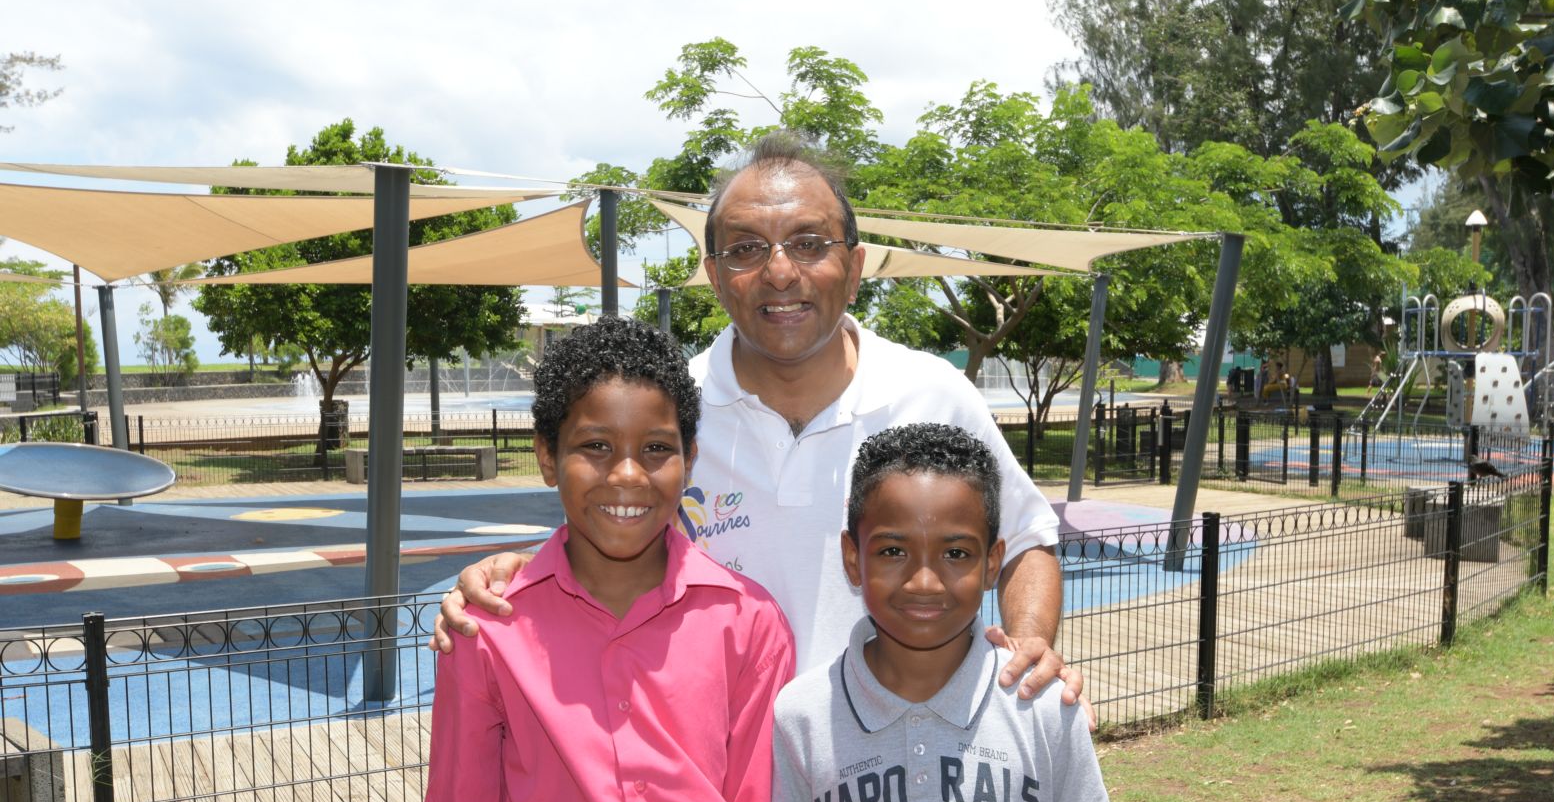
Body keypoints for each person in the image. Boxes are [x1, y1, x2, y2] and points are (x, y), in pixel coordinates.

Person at [433, 132, 1090, 716]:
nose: (780, 272)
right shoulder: (667, 413)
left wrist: (1028, 645)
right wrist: (511, 576)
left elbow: (1026, 542)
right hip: (718, 778)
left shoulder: (933, 394)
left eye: (809, 244)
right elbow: (609, 534)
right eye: (747, 250)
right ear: (716, 279)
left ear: (856, 268)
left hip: (900, 767)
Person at [410, 318, 794, 802]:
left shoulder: (745, 622)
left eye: (656, 449)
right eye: (594, 447)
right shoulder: (488, 629)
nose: (626, 475)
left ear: (690, 459)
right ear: (548, 459)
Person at [772, 423, 1117, 802]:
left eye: (955, 554)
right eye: (892, 550)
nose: (924, 581)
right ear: (853, 559)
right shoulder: (801, 717)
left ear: (992, 563)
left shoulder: (1043, 709)